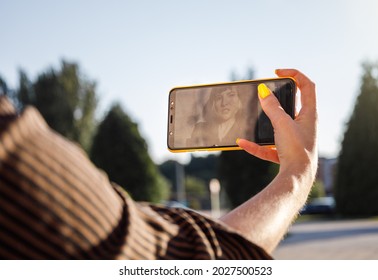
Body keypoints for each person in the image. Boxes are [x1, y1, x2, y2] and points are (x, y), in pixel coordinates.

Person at [0, 69, 317, 259]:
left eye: (234, 98)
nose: (225, 101)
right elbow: (194, 261)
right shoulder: (12, 148)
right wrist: (297, 174)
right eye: (222, 97)